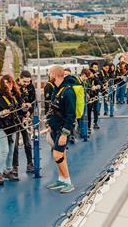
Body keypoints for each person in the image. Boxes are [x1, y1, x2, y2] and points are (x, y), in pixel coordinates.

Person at [0, 75, 26, 185]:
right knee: (4, 151)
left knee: (11, 151)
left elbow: (19, 110)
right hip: (0, 127)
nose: (9, 85)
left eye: (10, 82)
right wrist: (1, 114)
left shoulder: (14, 96)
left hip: (12, 127)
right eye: (6, 83)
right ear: (2, 84)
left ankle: (8, 170)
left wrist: (25, 109)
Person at [46, 65, 76, 193]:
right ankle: (61, 179)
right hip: (55, 127)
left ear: (54, 74)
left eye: (49, 73)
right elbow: (53, 109)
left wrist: (64, 134)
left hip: (63, 128)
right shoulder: (56, 90)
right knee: (60, 154)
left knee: (57, 154)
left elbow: (71, 114)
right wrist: (49, 127)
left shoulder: (68, 92)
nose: (48, 76)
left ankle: (68, 181)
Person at [12, 70, 36, 174]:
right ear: (20, 79)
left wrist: (29, 113)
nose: (27, 84)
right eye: (25, 82)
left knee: (27, 142)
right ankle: (15, 167)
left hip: (26, 118)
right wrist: (21, 114)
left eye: (28, 82)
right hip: (16, 119)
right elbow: (12, 104)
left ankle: (30, 164)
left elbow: (33, 101)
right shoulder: (13, 88)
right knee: (15, 144)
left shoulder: (30, 87)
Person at [86, 64, 101, 132]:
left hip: (95, 97)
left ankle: (95, 123)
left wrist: (96, 87)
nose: (89, 74)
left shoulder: (96, 78)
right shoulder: (86, 79)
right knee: (88, 112)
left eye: (90, 73)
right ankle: (88, 126)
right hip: (88, 98)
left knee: (96, 110)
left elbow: (100, 85)